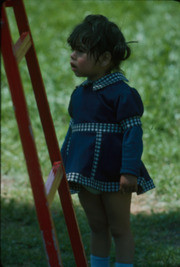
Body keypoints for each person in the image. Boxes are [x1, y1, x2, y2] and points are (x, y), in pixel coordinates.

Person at [61, 14, 155, 267]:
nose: (72, 56)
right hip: (83, 171)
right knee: (97, 225)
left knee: (119, 228)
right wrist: (63, 164)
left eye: (80, 51)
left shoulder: (123, 94)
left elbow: (133, 134)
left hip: (114, 173)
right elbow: (73, 133)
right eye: (73, 50)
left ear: (104, 59)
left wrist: (129, 171)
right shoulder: (79, 94)